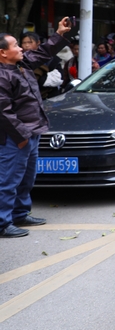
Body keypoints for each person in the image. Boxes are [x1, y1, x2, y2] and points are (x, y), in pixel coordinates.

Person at [0, 18, 71, 238]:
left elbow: (44, 52)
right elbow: (4, 112)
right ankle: (3, 223)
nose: (22, 48)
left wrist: (60, 33)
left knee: (27, 178)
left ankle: (20, 213)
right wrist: (22, 136)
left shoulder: (21, 64)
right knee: (8, 180)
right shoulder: (2, 75)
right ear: (3, 52)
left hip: (32, 132)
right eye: (15, 46)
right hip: (15, 136)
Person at [20, 32, 64, 99]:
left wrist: (40, 79)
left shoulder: (51, 59)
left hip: (49, 97)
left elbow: (59, 78)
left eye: (30, 42)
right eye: (24, 43)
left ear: (38, 42)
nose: (27, 45)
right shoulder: (19, 59)